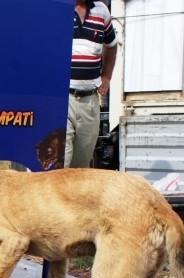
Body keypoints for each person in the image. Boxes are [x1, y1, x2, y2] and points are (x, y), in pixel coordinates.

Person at [64, 0, 118, 168]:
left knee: (80, 169)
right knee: (59, 166)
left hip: (90, 101)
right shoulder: (58, 8)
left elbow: (112, 45)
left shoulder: (101, 11)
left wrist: (107, 76)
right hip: (63, 99)